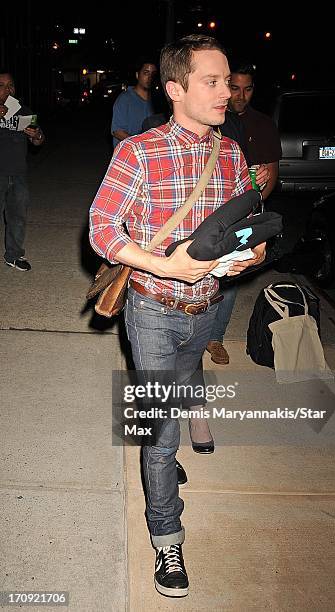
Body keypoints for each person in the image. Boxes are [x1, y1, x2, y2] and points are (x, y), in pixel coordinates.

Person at [89, 34, 266, 598]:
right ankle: (167, 534)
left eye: (228, 80)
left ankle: (166, 460)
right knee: (161, 433)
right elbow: (100, 229)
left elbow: (247, 216)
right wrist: (165, 265)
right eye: (211, 82)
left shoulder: (231, 151)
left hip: (209, 309)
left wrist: (251, 251)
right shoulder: (138, 153)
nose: (225, 92)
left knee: (187, 385)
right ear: (175, 89)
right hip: (152, 310)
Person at [206, 62, 282, 365]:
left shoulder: (262, 124)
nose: (238, 94)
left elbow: (270, 174)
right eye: (232, 86)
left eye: (246, 88)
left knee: (232, 276)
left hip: (243, 209)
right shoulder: (213, 118)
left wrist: (250, 208)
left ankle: (216, 338)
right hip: (210, 208)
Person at [0, 71, 45, 271]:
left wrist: (36, 134)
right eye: (2, 85)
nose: (8, 90)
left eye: (11, 85)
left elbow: (39, 141)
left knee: (17, 218)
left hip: (18, 174)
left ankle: (14, 255)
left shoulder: (24, 111)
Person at [111, 60, 157, 148]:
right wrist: (141, 144)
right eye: (146, 73)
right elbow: (117, 131)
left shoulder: (157, 100)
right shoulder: (124, 99)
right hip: (127, 154)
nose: (150, 77)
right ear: (137, 75)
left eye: (153, 74)